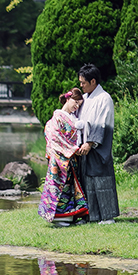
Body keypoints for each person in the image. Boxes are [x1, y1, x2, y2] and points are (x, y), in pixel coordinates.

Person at [76, 64, 119, 224]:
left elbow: (101, 123)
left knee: (102, 181)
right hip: (85, 146)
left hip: (99, 147)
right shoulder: (86, 98)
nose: (81, 85)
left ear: (93, 81)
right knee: (87, 182)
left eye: (83, 82)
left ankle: (107, 216)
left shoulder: (104, 98)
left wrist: (90, 142)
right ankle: (91, 216)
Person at [38, 88, 88, 225]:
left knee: (69, 187)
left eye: (79, 104)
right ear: (68, 98)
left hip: (70, 157)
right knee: (59, 186)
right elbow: (53, 137)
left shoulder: (73, 118)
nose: (76, 106)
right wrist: (72, 149)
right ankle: (58, 217)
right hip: (60, 158)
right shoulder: (58, 117)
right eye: (75, 102)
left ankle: (70, 215)